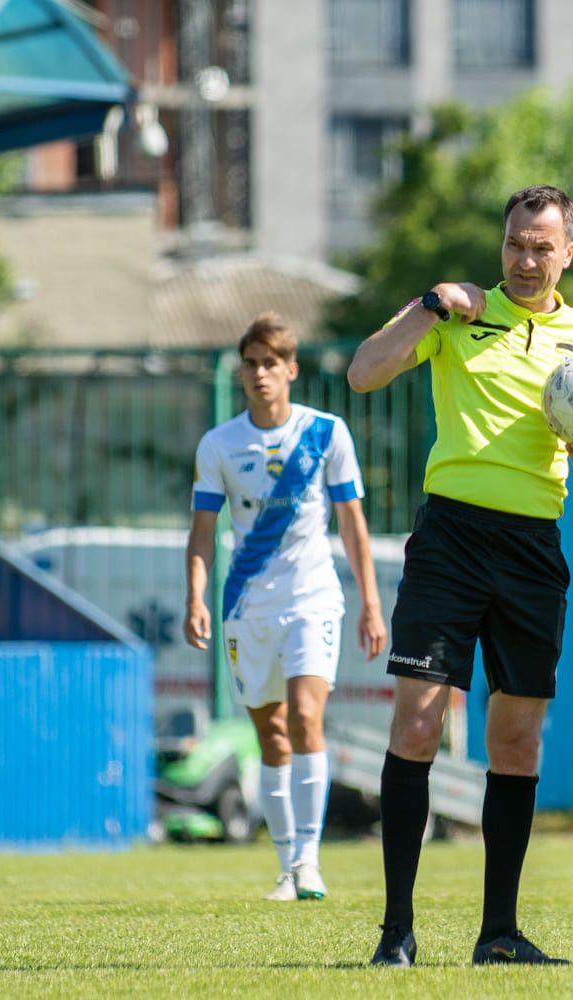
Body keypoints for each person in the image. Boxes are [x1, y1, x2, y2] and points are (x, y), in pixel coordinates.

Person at [346, 185, 573, 967]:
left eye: (541, 247)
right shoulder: (457, 313)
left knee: (516, 736)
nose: (526, 260)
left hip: (534, 547)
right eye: (514, 245)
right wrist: (430, 305)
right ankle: (396, 932)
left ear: (569, 251)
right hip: (451, 537)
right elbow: (364, 374)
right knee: (419, 723)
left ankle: (498, 934)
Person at [184, 312, 387, 902]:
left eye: (270, 363)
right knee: (271, 736)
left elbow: (352, 525)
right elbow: (201, 532)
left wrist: (370, 604)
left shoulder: (326, 433)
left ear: (291, 370)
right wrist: (194, 596)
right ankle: (285, 867)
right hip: (247, 605)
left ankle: (309, 861)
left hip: (314, 599)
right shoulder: (218, 444)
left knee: (306, 716)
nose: (259, 374)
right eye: (250, 364)